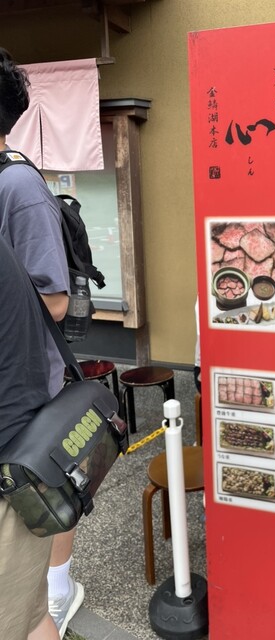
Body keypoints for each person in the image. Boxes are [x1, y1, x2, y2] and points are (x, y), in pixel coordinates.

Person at [0, 48, 84, 637]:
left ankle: (57, 587)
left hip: (26, 390)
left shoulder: (19, 186)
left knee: (45, 495)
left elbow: (54, 298)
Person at [0, 234, 60, 639]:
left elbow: (58, 302)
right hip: (20, 454)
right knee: (30, 615)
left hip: (10, 467)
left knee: (22, 618)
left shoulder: (26, 198)